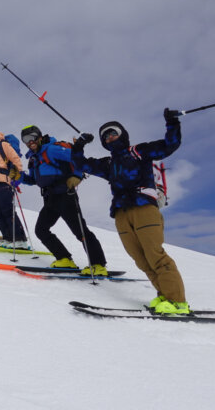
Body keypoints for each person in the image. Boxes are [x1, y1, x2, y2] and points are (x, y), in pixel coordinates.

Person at [71, 110, 188, 314]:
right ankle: (163, 296)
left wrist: (172, 122)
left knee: (155, 255)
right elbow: (80, 164)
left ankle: (177, 302)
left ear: (122, 134)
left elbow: (170, 145)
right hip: (121, 213)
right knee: (140, 259)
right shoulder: (108, 164)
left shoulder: (140, 151)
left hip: (143, 207)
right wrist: (79, 145)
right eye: (105, 136)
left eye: (113, 133)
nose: (109, 137)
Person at [19, 125, 108, 275]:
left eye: (32, 137)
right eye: (26, 139)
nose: (30, 141)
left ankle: (98, 264)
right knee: (41, 230)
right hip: (50, 198)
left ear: (39, 136)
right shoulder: (34, 158)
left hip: (65, 195)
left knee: (80, 231)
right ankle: (64, 259)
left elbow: (77, 160)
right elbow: (34, 180)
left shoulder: (52, 149)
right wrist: (19, 176)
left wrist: (77, 176)